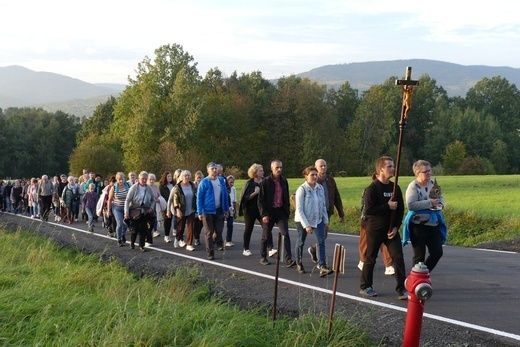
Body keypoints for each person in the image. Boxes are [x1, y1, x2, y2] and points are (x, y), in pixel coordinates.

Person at [359, 156, 407, 300]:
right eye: (389, 167)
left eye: (393, 166)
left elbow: (400, 210)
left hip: (391, 230)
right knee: (371, 258)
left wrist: (396, 227)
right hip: (375, 229)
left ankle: (401, 289)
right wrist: (387, 206)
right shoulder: (372, 189)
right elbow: (369, 210)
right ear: (380, 169)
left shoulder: (395, 187)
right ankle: (365, 286)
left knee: (398, 256)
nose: (393, 169)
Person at [403, 160, 447, 272]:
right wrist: (430, 203)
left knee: (437, 252)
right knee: (419, 257)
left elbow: (440, 198)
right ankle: (415, 279)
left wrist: (440, 205)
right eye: (425, 171)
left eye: (429, 170)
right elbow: (411, 205)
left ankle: (424, 273)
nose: (428, 173)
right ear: (418, 173)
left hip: (433, 224)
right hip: (418, 226)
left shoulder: (433, 184)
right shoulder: (413, 187)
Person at [294, 166, 333, 276]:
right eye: (312, 175)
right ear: (306, 176)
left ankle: (322, 266)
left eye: (316, 175)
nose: (315, 177)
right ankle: (299, 263)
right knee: (301, 241)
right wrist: (306, 225)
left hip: (318, 219)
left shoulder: (320, 188)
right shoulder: (302, 189)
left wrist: (326, 222)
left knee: (321, 241)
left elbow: (323, 206)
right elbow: (300, 209)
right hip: (303, 220)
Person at [257, 160, 296, 267]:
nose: (279, 170)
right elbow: (260, 200)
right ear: (271, 168)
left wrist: (287, 212)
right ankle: (263, 257)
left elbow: (286, 197)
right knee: (266, 235)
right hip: (269, 212)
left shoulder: (283, 180)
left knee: (285, 234)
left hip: (280, 211)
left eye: (280, 168)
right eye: (277, 168)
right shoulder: (266, 182)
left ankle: (288, 259)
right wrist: (264, 214)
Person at [308, 159, 345, 264]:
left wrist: (341, 213)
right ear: (316, 167)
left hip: (327, 212)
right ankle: (320, 261)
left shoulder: (331, 180)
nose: (323, 168)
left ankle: (314, 250)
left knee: (323, 235)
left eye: (325, 165)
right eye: (321, 166)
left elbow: (337, 197)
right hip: (316, 213)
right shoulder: (313, 180)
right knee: (321, 236)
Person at [358, 175, 395, 275]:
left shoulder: (389, 189)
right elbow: (366, 208)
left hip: (382, 221)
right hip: (368, 220)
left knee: (384, 243)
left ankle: (388, 265)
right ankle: (362, 260)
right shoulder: (369, 190)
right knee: (365, 243)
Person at [238, 163, 275, 257]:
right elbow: (245, 198)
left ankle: (270, 248)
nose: (263, 172)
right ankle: (246, 248)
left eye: (262, 170)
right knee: (249, 228)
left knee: (267, 227)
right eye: (260, 171)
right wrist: (255, 193)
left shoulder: (265, 182)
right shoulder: (249, 183)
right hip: (250, 210)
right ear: (254, 172)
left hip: (261, 210)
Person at [196, 162, 230, 260]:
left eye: (215, 169)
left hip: (219, 210)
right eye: (212, 169)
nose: (214, 170)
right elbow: (199, 197)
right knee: (209, 232)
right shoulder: (204, 182)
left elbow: (224, 195)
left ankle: (214, 241)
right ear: (208, 170)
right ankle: (210, 252)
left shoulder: (221, 181)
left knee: (219, 230)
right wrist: (200, 211)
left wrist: (226, 209)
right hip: (208, 210)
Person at [124, 171, 156, 252]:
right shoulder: (134, 188)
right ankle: (132, 243)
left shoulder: (149, 188)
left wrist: (151, 208)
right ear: (139, 179)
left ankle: (142, 245)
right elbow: (127, 200)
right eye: (143, 179)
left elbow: (153, 200)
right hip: (135, 211)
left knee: (144, 229)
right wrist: (126, 212)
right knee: (135, 228)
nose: (144, 180)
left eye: (146, 179)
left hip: (145, 211)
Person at [171, 170, 197, 251]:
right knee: (181, 227)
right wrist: (177, 210)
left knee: (191, 227)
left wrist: (196, 209)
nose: (187, 177)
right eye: (185, 176)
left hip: (191, 209)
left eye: (188, 176)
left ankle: (189, 244)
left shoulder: (192, 185)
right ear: (182, 177)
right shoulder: (177, 187)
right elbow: (175, 199)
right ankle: (178, 238)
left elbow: (196, 196)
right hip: (182, 210)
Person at [107, 172, 130, 247]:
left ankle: (123, 234)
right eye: (119, 179)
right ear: (117, 180)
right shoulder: (113, 187)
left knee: (126, 223)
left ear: (124, 179)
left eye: (122, 179)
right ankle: (119, 240)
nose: (121, 181)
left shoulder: (128, 186)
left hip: (126, 207)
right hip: (117, 207)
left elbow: (132, 197)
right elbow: (110, 200)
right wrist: (108, 211)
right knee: (120, 223)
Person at [159, 171, 175, 243]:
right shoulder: (162, 186)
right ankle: (166, 235)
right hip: (165, 205)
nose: (170, 178)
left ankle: (173, 234)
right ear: (165, 177)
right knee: (167, 220)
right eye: (168, 176)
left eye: (171, 176)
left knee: (172, 220)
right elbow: (161, 196)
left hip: (174, 204)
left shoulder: (174, 185)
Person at [147, 173, 161, 240]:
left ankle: (155, 231)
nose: (152, 181)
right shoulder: (146, 187)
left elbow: (159, 195)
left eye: (153, 179)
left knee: (154, 218)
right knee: (147, 219)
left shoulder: (156, 187)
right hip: (146, 206)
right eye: (150, 179)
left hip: (154, 205)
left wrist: (158, 199)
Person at [225, 175, 237, 247]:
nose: (231, 184)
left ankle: (228, 240)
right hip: (224, 208)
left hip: (231, 209)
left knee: (230, 225)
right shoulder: (224, 188)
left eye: (233, 182)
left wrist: (235, 211)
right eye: (230, 182)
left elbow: (235, 200)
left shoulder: (234, 189)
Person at [193, 170, 204, 246]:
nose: (199, 179)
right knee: (195, 224)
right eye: (197, 178)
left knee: (200, 224)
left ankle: (198, 235)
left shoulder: (204, 185)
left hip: (202, 207)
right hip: (194, 207)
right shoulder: (192, 186)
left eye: (200, 178)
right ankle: (196, 238)